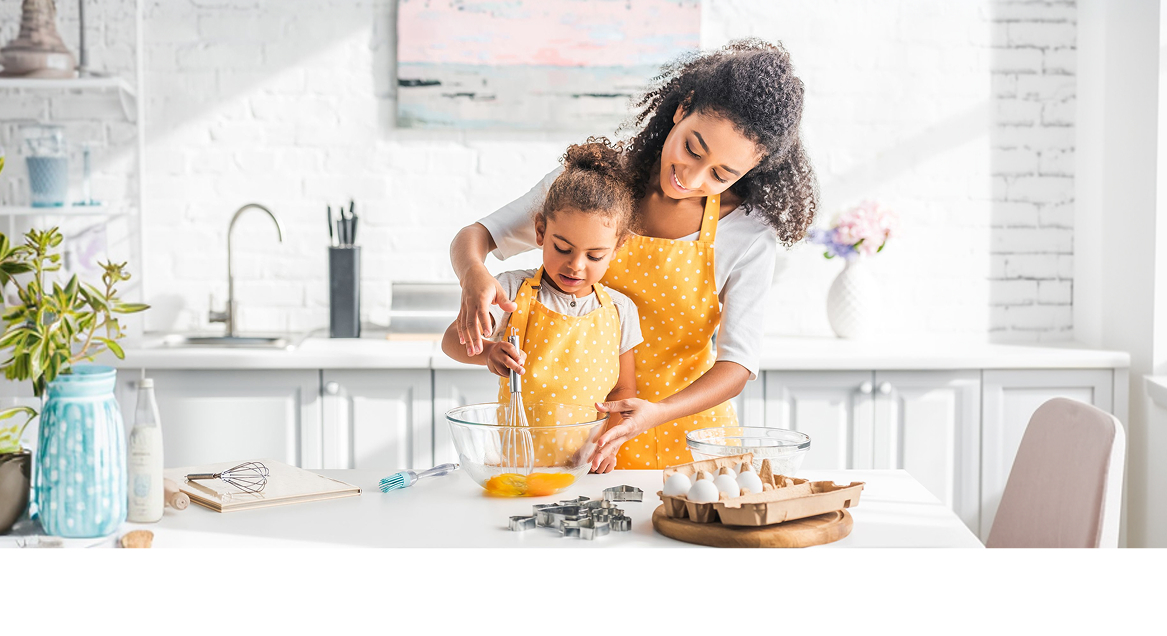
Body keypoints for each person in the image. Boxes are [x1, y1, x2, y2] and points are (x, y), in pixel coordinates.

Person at [450, 39, 818, 470]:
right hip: (580, 443)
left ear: (751, 170)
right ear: (682, 108)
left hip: (692, 443)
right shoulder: (590, 188)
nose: (692, 176)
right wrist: (473, 272)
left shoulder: (747, 232)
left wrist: (657, 412)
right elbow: (477, 236)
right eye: (693, 149)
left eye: (721, 173)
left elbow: (738, 364)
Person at [441, 139, 643, 474]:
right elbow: (452, 341)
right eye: (562, 248)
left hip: (585, 472)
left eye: (594, 256)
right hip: (516, 468)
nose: (576, 265)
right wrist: (488, 351)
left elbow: (623, 391)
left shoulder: (621, 310)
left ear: (618, 247)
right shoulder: (511, 291)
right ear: (540, 231)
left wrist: (610, 444)